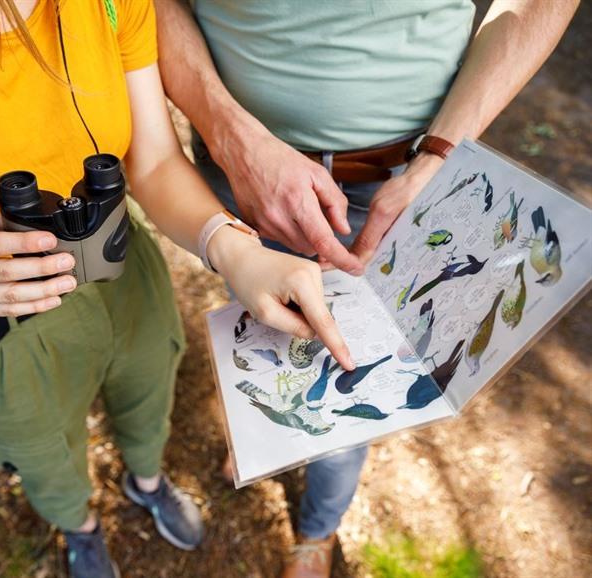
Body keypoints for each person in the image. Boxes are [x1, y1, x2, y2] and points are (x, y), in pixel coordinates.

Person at [0, 1, 356, 576]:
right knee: (40, 451)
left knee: (149, 394)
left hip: (120, 268)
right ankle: (78, 526)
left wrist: (236, 251)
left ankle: (146, 480)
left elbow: (151, 163)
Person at [154, 0, 578, 576]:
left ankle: (317, 529)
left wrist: (439, 158)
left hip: (402, 176)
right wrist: (230, 135)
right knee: (261, 318)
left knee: (355, 371)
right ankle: (269, 436)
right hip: (239, 168)